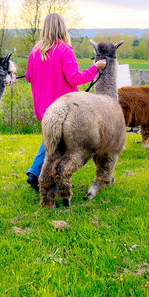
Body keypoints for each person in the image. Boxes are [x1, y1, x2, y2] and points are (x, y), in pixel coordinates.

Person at [24, 13, 107, 190]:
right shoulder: (64, 51)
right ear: (62, 28)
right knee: (59, 147)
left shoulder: (35, 51)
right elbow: (74, 78)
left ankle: (33, 173)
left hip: (43, 107)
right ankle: (50, 183)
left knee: (50, 140)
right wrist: (95, 67)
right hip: (62, 109)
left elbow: (28, 76)